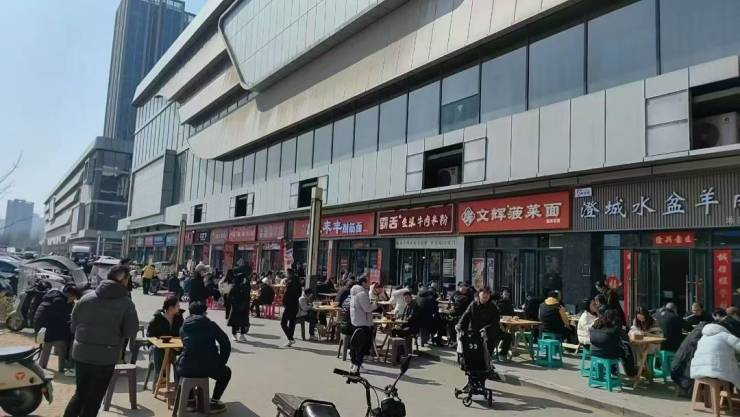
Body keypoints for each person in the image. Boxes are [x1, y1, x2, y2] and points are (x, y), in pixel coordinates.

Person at [64, 266, 138, 417]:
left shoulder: (86, 298)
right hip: (106, 357)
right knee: (94, 398)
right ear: (124, 280)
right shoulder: (126, 303)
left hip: (81, 354)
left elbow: (73, 326)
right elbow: (130, 332)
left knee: (80, 393)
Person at [176, 302, 231, 414]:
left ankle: (189, 401)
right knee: (226, 373)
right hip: (210, 367)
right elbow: (225, 343)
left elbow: (187, 347)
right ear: (204, 312)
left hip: (187, 368)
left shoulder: (183, 327)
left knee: (178, 366)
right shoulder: (211, 325)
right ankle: (214, 402)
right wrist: (221, 362)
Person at [35, 283, 81, 375]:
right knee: (63, 344)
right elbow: (65, 320)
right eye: (74, 297)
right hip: (51, 330)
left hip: (41, 328)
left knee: (48, 345)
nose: (74, 299)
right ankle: (62, 368)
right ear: (70, 295)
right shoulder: (60, 302)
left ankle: (42, 366)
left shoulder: (53, 295)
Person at [458, 286, 511, 360]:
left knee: (507, 336)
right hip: (475, 331)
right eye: (484, 294)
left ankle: (502, 354)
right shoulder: (473, 305)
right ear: (479, 294)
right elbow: (465, 316)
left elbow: (495, 321)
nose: (485, 296)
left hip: (489, 331)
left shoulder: (493, 307)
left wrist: (487, 329)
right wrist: (459, 325)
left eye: (488, 294)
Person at [690, 320, 740, 389]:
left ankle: (712, 395)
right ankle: (727, 395)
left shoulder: (703, 338)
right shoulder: (724, 335)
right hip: (717, 372)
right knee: (732, 378)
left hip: (697, 372)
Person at [588, 309, 636, 377]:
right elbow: (626, 338)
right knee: (627, 349)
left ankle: (613, 371)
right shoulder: (615, 326)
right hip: (607, 353)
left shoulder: (597, 324)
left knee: (611, 347)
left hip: (593, 351)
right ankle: (631, 373)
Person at [146, 296, 184, 377]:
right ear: (171, 307)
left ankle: (180, 381)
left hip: (174, 347)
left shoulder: (179, 318)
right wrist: (158, 342)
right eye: (177, 305)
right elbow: (150, 337)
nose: (179, 307)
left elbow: (183, 333)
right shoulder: (157, 319)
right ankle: (161, 377)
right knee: (157, 350)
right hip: (157, 347)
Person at [348, 277, 377, 374]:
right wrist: (375, 305)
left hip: (355, 321)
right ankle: (358, 366)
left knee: (355, 344)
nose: (369, 284)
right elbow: (367, 308)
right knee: (361, 346)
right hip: (363, 322)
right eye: (367, 282)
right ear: (363, 283)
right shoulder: (362, 293)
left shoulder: (353, 293)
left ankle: (353, 363)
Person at [447, 283, 475, 347]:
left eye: (466, 289)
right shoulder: (456, 293)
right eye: (463, 289)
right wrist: (452, 306)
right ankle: (453, 341)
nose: (465, 291)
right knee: (451, 325)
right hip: (456, 313)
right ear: (459, 288)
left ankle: (458, 341)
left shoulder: (469, 294)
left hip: (465, 314)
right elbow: (453, 301)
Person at [281, 271, 302, 347]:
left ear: (289, 274)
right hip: (295, 304)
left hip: (289, 305)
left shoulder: (289, 283)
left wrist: (283, 302)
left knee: (283, 323)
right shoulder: (298, 283)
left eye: (287, 274)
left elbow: (286, 294)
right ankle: (290, 340)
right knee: (292, 322)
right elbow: (299, 294)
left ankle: (290, 338)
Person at [227, 274, 250, 342]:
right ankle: (234, 335)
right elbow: (229, 296)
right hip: (237, 306)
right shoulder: (235, 286)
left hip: (242, 306)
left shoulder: (244, 286)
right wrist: (234, 303)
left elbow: (247, 296)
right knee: (235, 321)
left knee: (242, 321)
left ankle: (241, 335)